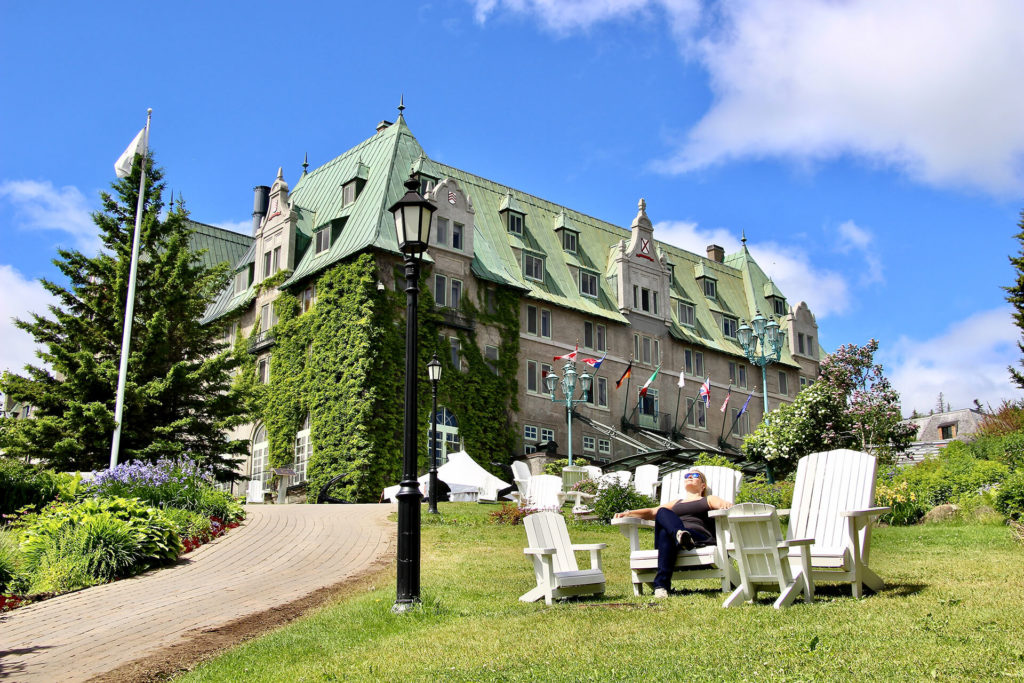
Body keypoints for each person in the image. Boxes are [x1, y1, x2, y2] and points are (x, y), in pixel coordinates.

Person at [614, 468, 733, 598]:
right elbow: (652, 512)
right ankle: (680, 535)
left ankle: (661, 586)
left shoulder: (708, 499)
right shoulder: (676, 503)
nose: (689, 477)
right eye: (687, 475)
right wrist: (628, 513)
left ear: (703, 485)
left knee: (666, 532)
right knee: (662, 512)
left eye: (695, 475)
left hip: (699, 539)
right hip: (676, 542)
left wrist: (726, 505)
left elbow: (725, 506)